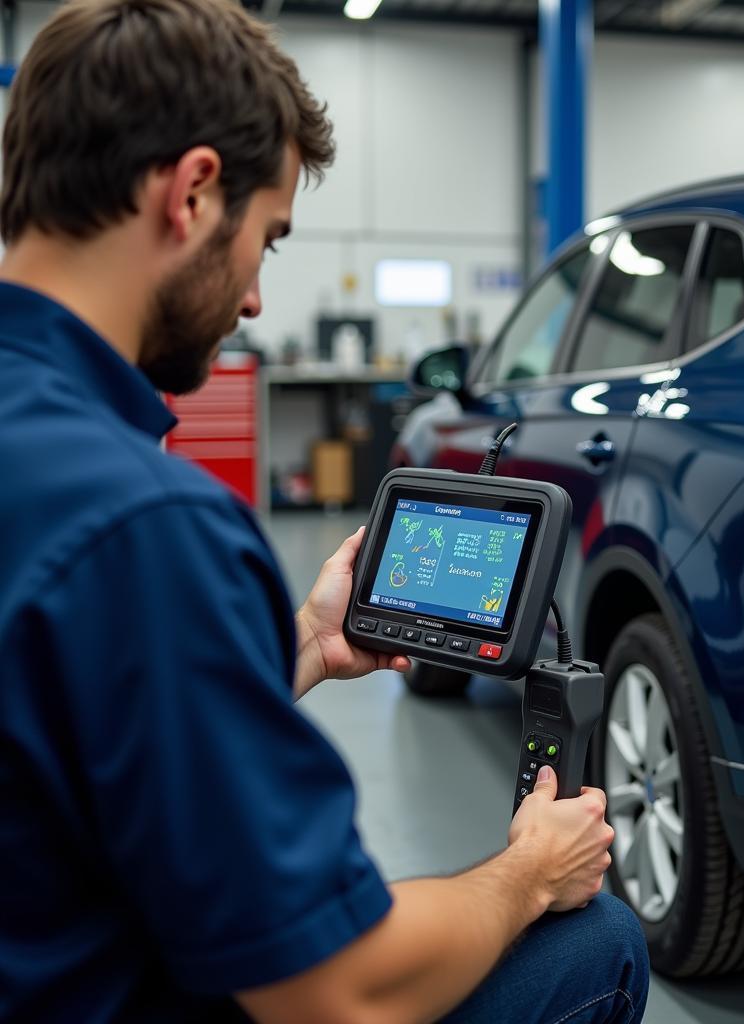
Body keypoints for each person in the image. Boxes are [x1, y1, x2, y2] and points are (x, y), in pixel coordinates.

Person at [0, 2, 651, 1021]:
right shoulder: (145, 524)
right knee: (597, 940)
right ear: (192, 194)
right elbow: (336, 994)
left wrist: (302, 641)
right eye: (268, 238)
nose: (255, 300)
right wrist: (529, 870)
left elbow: (78, 737)